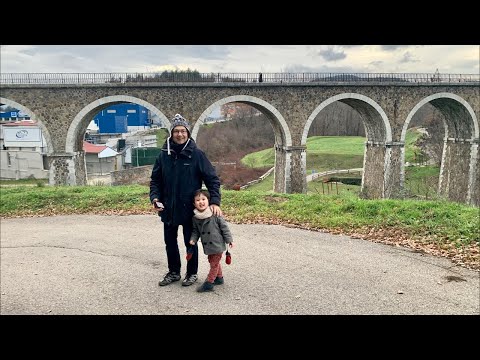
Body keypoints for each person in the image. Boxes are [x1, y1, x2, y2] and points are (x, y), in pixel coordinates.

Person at [150, 114, 222, 287]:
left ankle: (191, 273)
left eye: (183, 131)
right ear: (171, 133)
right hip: (168, 208)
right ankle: (174, 272)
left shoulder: (197, 155)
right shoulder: (163, 155)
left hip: (190, 209)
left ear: (188, 133)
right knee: (170, 242)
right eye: (176, 131)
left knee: (190, 242)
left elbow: (212, 179)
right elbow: (155, 180)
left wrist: (214, 202)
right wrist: (155, 197)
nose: (180, 134)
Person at [189, 189, 233, 292]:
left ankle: (209, 282)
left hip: (217, 244)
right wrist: (193, 239)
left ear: (208, 200)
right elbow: (196, 231)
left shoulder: (215, 213)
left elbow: (224, 228)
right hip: (208, 245)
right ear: (194, 203)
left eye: (203, 199)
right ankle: (219, 277)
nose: (201, 202)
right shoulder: (195, 218)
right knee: (212, 261)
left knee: (214, 263)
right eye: (198, 200)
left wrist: (229, 240)